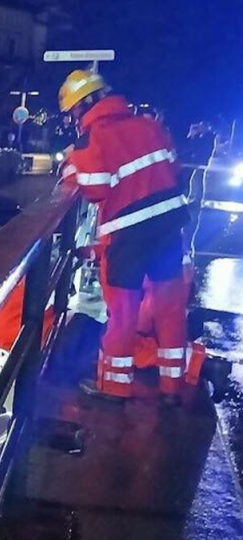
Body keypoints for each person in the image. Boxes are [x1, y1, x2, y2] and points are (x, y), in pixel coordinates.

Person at [58, 69, 189, 404]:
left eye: (73, 111)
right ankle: (172, 389)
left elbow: (96, 188)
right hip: (168, 228)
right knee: (170, 308)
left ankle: (114, 388)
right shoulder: (149, 124)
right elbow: (172, 168)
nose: (73, 118)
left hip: (127, 237)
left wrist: (71, 166)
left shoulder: (91, 141)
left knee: (123, 313)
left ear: (84, 105)